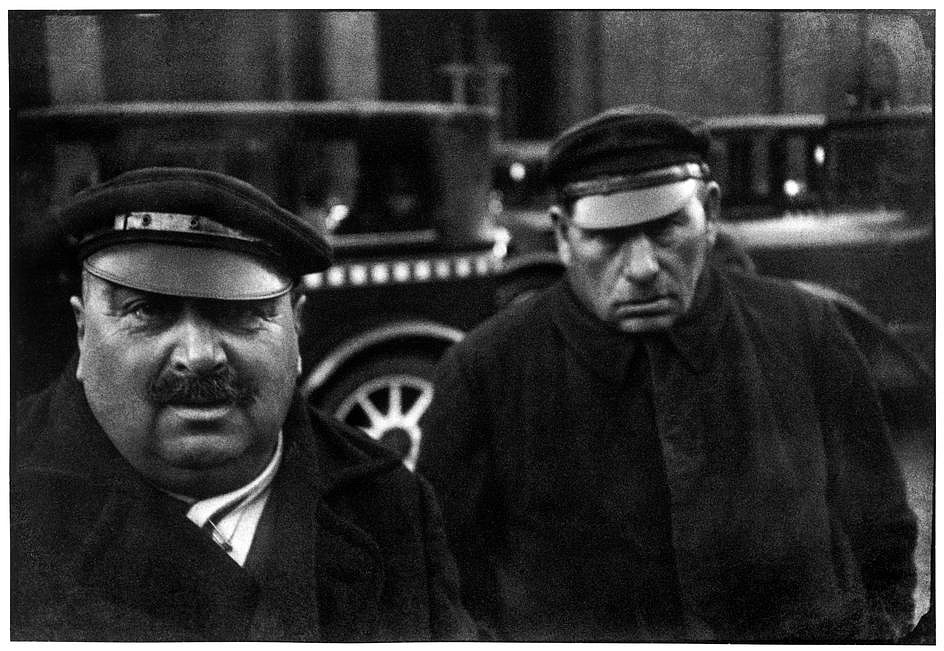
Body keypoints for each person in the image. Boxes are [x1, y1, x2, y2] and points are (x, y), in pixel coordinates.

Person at [417, 106, 918, 642]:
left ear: (711, 213)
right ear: (563, 236)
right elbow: (445, 589)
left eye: (667, 229)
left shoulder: (806, 331)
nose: (642, 269)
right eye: (607, 240)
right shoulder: (484, 374)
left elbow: (882, 541)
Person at [11, 167, 475, 642]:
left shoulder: (392, 506)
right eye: (148, 310)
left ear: (296, 330)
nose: (199, 356)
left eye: (240, 312)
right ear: (83, 330)